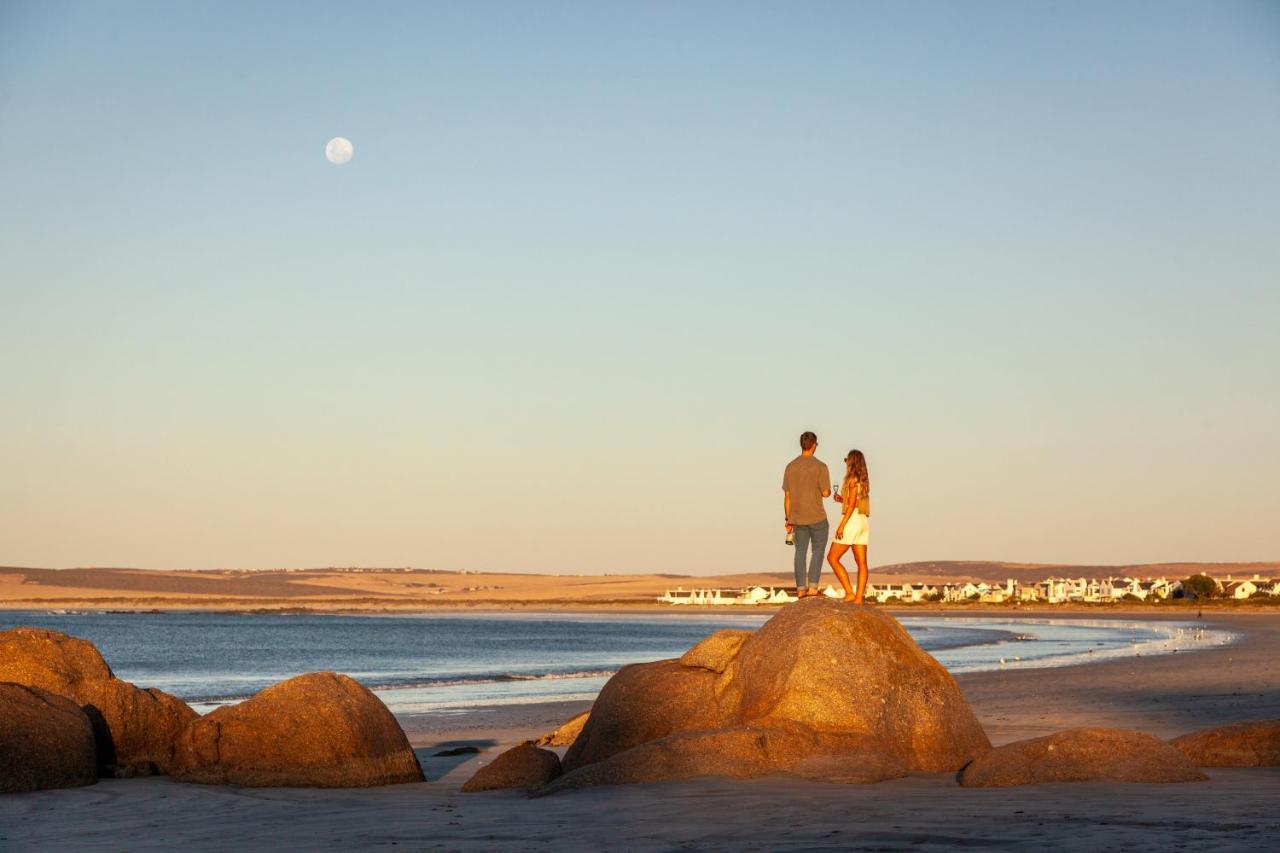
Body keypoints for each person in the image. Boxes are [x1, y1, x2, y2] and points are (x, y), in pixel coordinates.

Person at [782, 431, 831, 598]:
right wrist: (828, 491)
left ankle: (801, 589)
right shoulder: (820, 466)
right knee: (817, 551)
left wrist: (788, 519)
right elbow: (825, 493)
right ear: (814, 445)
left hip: (797, 518)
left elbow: (787, 496)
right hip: (817, 516)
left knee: (800, 552)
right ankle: (813, 588)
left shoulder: (790, 466)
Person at [827, 449, 871, 603]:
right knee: (862, 563)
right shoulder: (863, 480)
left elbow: (851, 505)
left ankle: (849, 592)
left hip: (851, 521)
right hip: (863, 522)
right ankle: (859, 598)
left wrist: (841, 526)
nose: (845, 463)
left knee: (832, 558)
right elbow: (856, 502)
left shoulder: (852, 479)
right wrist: (841, 500)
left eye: (847, 460)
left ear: (851, 462)